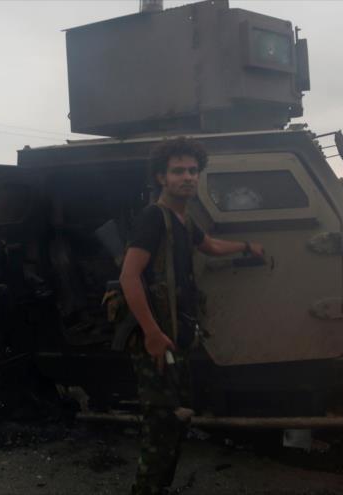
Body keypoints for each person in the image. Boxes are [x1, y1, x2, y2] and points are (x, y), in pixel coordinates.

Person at [119, 136, 265, 495]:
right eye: (177, 171)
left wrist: (247, 247)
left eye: (192, 170)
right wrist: (152, 333)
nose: (187, 177)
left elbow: (210, 245)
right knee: (161, 426)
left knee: (175, 421)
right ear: (161, 178)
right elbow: (129, 275)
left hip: (175, 335)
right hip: (156, 337)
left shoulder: (182, 219)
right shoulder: (154, 218)